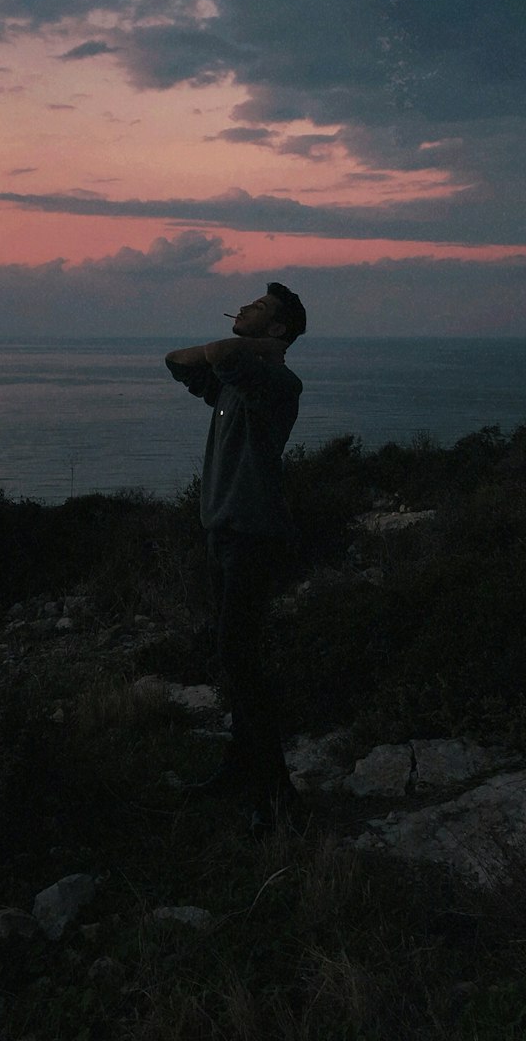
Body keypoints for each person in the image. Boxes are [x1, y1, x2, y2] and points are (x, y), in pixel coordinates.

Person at [165, 282, 306, 836]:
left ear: (277, 331)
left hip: (253, 533)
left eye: (260, 309)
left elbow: (221, 355)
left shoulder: (275, 380)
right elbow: (175, 362)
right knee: (235, 657)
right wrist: (235, 349)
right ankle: (242, 768)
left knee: (240, 658)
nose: (244, 307)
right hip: (224, 532)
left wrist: (247, 351)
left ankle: (275, 793)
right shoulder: (236, 380)